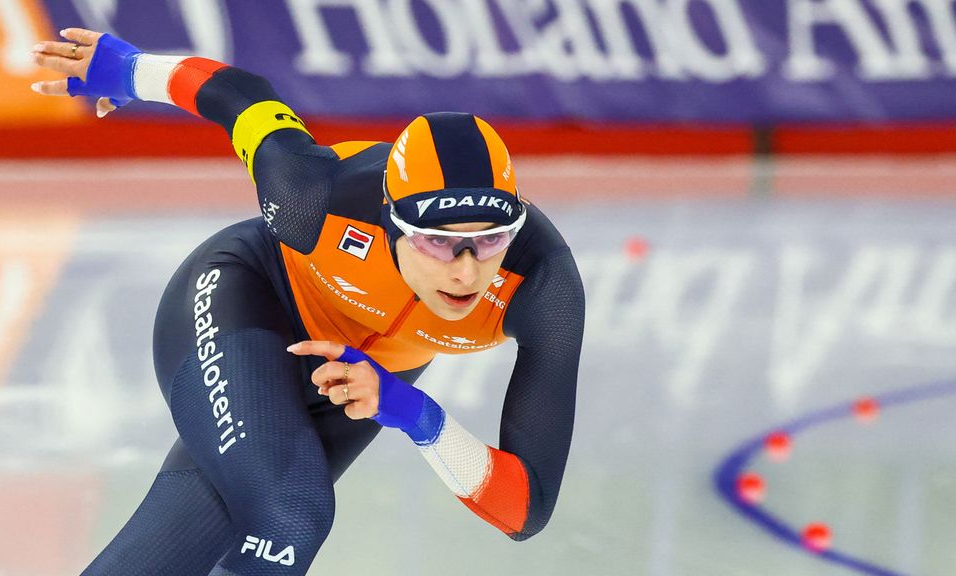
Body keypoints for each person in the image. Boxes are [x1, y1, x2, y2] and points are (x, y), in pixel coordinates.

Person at [30, 28, 585, 576]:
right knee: (290, 514)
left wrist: (412, 412)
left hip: (363, 380)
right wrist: (129, 70)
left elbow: (523, 508)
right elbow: (240, 98)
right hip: (246, 302)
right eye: (437, 241)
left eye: (490, 238)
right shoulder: (314, 199)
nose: (467, 270)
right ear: (391, 222)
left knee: (190, 538)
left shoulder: (541, 285)